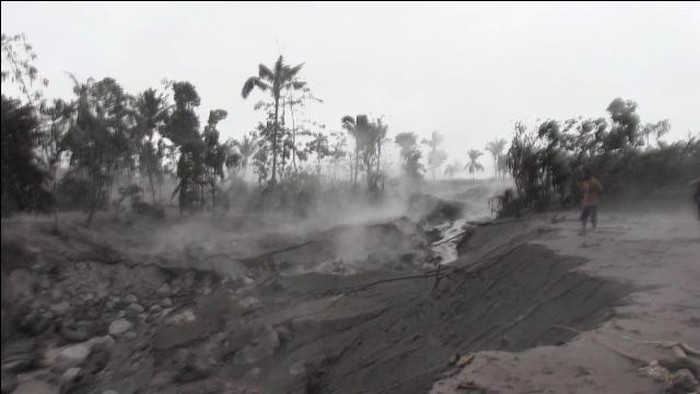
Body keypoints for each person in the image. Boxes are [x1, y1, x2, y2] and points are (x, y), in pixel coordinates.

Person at [578, 169, 603, 234]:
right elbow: (583, 190)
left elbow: (600, 189)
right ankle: (584, 228)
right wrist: (582, 189)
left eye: (585, 174)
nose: (584, 175)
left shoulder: (594, 181)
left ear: (589, 174)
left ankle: (594, 228)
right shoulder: (584, 181)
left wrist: (596, 194)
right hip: (586, 201)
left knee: (593, 215)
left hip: (593, 201)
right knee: (584, 215)